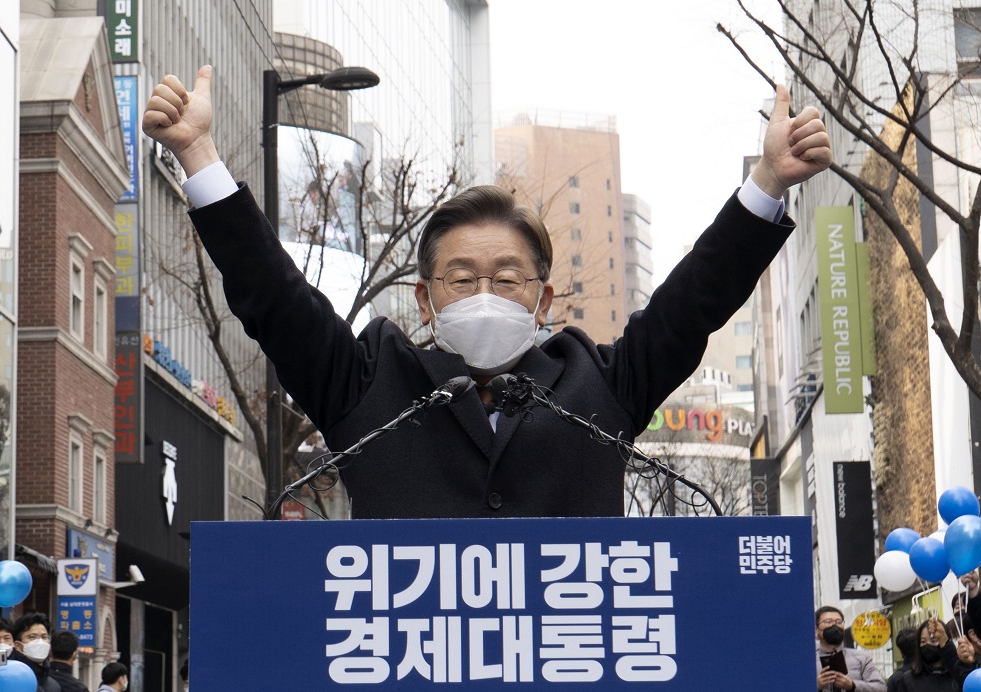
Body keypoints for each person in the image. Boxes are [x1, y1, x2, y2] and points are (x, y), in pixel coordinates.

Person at [142, 65, 831, 518]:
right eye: (461, 278)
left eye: (507, 279)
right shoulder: (366, 381)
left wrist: (768, 180)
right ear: (424, 299)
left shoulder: (603, 384)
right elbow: (274, 298)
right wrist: (197, 155)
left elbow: (695, 302)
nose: (485, 292)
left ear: (542, 298)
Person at [815, 606, 886, 691]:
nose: (834, 625)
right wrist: (815, 686)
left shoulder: (862, 658)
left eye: (839, 622)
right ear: (816, 630)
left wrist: (852, 685)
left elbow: (881, 688)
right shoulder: (806, 662)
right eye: (828, 621)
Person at [894, 617, 974, 691]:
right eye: (923, 642)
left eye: (933, 640)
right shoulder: (908, 680)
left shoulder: (958, 675)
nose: (928, 645)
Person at [10, 612, 62, 692]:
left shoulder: (53, 685)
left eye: (44, 637)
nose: (40, 642)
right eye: (32, 637)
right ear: (18, 645)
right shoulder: (10, 678)